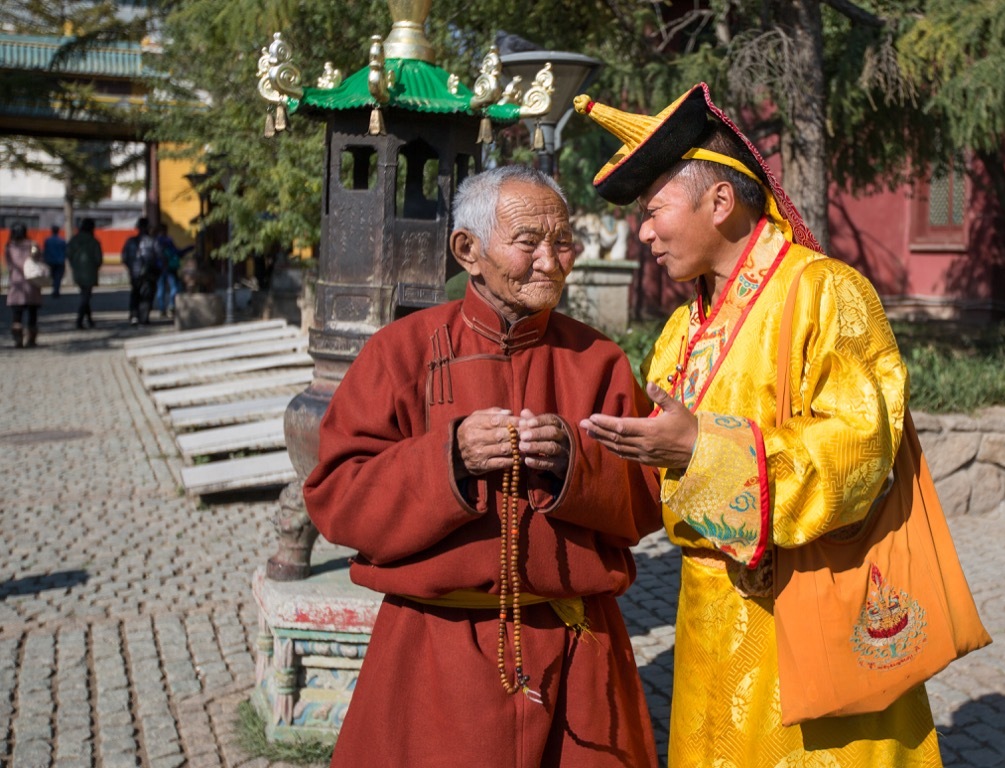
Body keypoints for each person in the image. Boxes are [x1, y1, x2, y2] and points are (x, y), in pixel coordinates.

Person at [575, 84, 942, 766]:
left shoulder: (825, 292)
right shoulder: (684, 330)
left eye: (654, 212)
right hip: (706, 619)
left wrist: (704, 449)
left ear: (719, 202)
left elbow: (862, 451)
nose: (643, 233)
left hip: (800, 620)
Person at [303, 165, 663, 768]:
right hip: (434, 652)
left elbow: (650, 497)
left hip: (576, 648)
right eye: (529, 243)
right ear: (468, 250)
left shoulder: (597, 361)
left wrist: (578, 467)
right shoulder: (401, 352)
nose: (552, 260)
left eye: (563, 241)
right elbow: (338, 496)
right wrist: (448, 458)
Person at [5, 224, 43, 348]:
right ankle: (31, 339)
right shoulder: (33, 245)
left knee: (17, 315)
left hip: (16, 284)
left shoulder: (9, 247)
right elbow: (39, 261)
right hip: (32, 283)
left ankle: (18, 339)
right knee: (32, 314)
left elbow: (9, 265)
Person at [121, 217, 161, 325]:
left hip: (134, 273)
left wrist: (131, 267)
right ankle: (144, 317)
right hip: (149, 273)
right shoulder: (153, 242)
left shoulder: (130, 242)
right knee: (147, 295)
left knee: (135, 293)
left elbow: (124, 257)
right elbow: (159, 257)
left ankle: (134, 316)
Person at [67, 218, 104, 329]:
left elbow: (68, 253)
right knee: (86, 296)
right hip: (90, 271)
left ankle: (89, 319)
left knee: (85, 295)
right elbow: (98, 259)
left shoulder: (74, 240)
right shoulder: (94, 241)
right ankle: (80, 319)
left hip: (78, 271)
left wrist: (74, 264)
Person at [42, 224, 68, 298]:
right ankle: (56, 289)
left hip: (50, 261)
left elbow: (45, 250)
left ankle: (54, 288)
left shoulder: (48, 240)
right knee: (58, 277)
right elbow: (65, 251)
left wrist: (44, 259)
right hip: (60, 261)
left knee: (52, 276)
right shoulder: (62, 241)